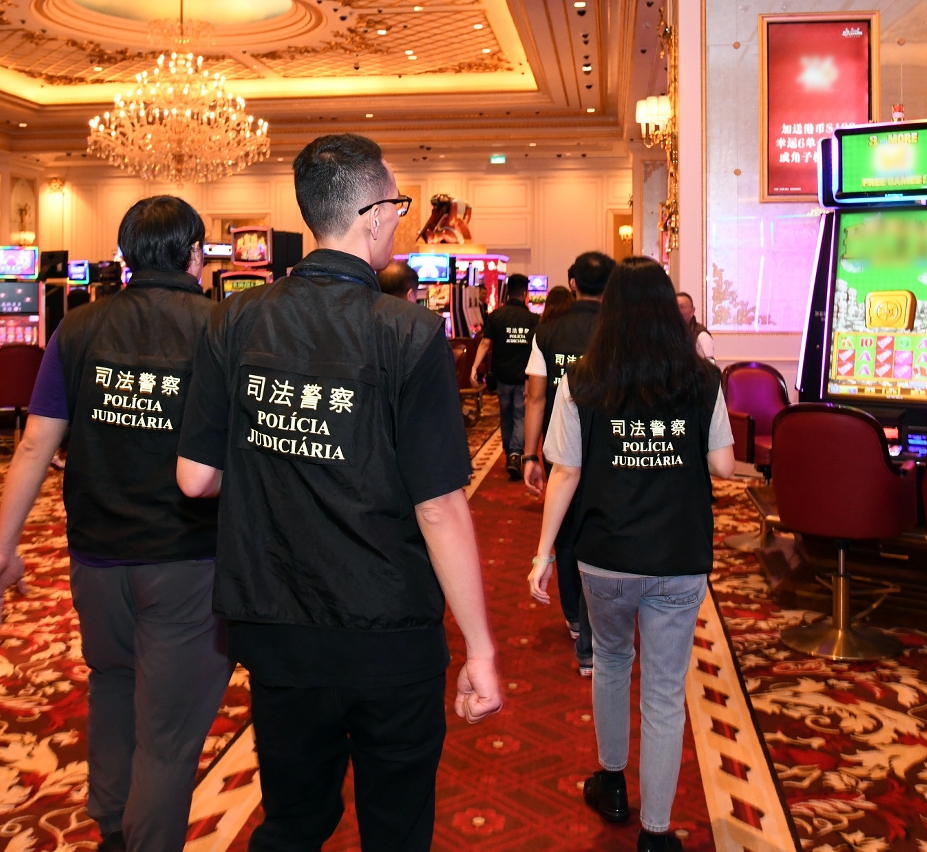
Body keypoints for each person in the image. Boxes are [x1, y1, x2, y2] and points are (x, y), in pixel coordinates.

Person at [176, 133, 502, 852]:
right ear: (374, 214)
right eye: (398, 207)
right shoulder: (410, 331)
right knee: (396, 827)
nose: (399, 221)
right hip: (388, 629)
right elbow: (439, 506)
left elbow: (195, 478)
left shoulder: (234, 318)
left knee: (294, 822)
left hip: (278, 627)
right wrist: (480, 647)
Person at [0, 196, 231, 852]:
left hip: (95, 558)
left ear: (125, 256)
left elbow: (34, 445)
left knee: (112, 688)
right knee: (168, 739)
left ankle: (112, 831)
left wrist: (3, 548)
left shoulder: (79, 326)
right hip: (187, 562)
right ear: (195, 254)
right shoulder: (221, 326)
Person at [529, 257, 735, 852]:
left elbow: (565, 472)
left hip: (605, 553)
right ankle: (657, 833)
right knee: (666, 692)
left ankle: (613, 785)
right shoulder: (700, 379)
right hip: (678, 553)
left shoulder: (584, 380)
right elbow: (722, 465)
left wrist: (543, 555)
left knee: (613, 662)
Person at [522, 251, 615, 676]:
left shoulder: (548, 331)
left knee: (565, 529)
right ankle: (601, 618)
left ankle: (576, 616)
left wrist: (530, 453)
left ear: (573, 283)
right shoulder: (618, 330)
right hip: (612, 448)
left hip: (561, 447)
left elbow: (535, 397)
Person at [471, 274, 537, 479]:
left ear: (507, 293)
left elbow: (485, 343)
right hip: (524, 378)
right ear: (525, 294)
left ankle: (510, 453)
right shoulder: (533, 319)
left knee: (505, 415)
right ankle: (515, 455)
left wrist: (474, 367)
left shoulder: (496, 316)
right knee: (520, 415)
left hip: (501, 376)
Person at [676, 291, 715, 362]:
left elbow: (710, 364)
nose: (677, 311)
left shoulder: (702, 336)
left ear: (692, 310)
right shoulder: (668, 333)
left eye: (682, 307)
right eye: (675, 307)